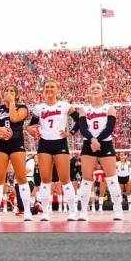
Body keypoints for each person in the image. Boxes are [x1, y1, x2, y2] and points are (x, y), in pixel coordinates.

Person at [27, 81, 80, 221]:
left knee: (65, 179)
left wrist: (71, 132)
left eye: (52, 87)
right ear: (43, 90)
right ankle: (45, 212)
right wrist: (31, 131)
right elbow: (31, 125)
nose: (49, 89)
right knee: (45, 180)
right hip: (44, 143)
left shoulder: (64, 105)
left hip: (60, 142)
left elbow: (79, 120)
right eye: (47, 87)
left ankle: (72, 211)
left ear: (58, 90)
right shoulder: (39, 108)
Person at [77, 83, 123, 220]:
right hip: (88, 144)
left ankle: (118, 209)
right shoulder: (84, 109)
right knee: (86, 179)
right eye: (92, 88)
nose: (95, 90)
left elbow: (109, 128)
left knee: (112, 178)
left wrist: (97, 140)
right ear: (89, 92)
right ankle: (83, 211)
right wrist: (92, 140)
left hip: (105, 143)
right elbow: (83, 128)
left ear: (103, 91)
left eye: (98, 88)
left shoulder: (109, 108)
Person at [0, 85, 31, 221]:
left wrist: (11, 102)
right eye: (7, 91)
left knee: (22, 178)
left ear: (16, 94)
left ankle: (27, 211)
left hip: (17, 145)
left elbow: (13, 118)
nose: (9, 93)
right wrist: (0, 129)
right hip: (1, 146)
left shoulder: (22, 107)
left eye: (12, 91)